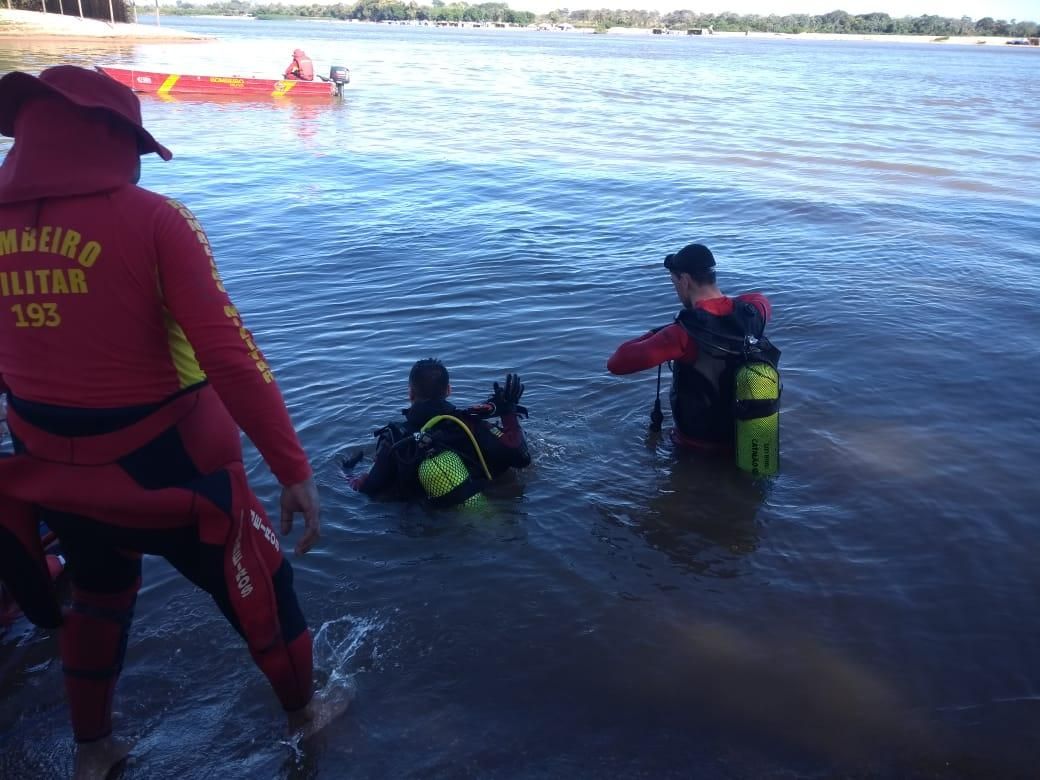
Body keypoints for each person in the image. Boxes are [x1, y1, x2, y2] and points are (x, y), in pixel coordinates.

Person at [0, 66, 339, 779]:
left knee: (97, 597)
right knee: (265, 588)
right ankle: (306, 718)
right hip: (178, 477)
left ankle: (94, 752)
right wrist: (293, 469)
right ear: (116, 137)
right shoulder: (157, 220)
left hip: (52, 478)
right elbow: (231, 356)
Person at [607, 243, 774, 452]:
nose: (676, 290)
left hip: (696, 449)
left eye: (674, 282)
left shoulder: (682, 334)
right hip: (747, 443)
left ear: (684, 281)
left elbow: (617, 363)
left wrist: (661, 332)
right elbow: (758, 298)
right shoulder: (754, 313)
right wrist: (720, 305)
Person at [347, 359, 531, 506]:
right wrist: (508, 412)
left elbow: (369, 491)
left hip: (421, 523)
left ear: (410, 394)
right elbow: (520, 456)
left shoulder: (395, 438)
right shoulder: (469, 425)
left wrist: (349, 475)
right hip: (477, 505)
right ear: (449, 391)